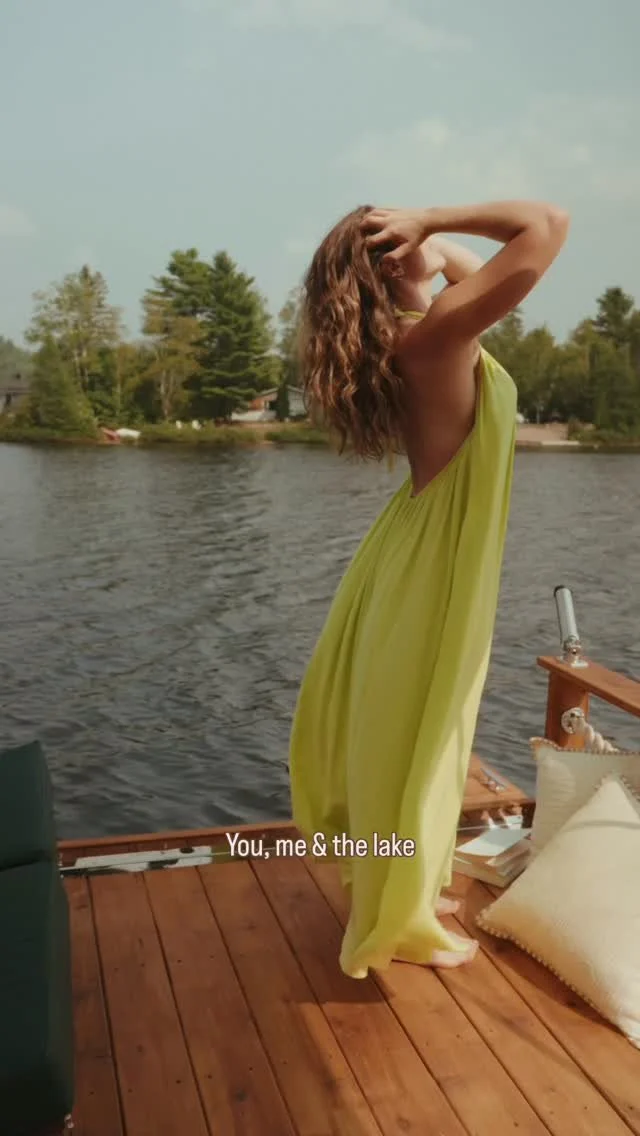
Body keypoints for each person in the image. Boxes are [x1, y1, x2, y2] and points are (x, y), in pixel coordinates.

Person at [289, 201, 569, 976]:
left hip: (424, 548)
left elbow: (493, 274)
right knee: (420, 733)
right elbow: (547, 224)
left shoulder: (432, 332)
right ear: (392, 263)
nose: (430, 238)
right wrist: (435, 218)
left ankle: (409, 884)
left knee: (434, 731)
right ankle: (398, 917)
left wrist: (425, 240)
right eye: (408, 231)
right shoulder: (434, 335)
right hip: (431, 563)